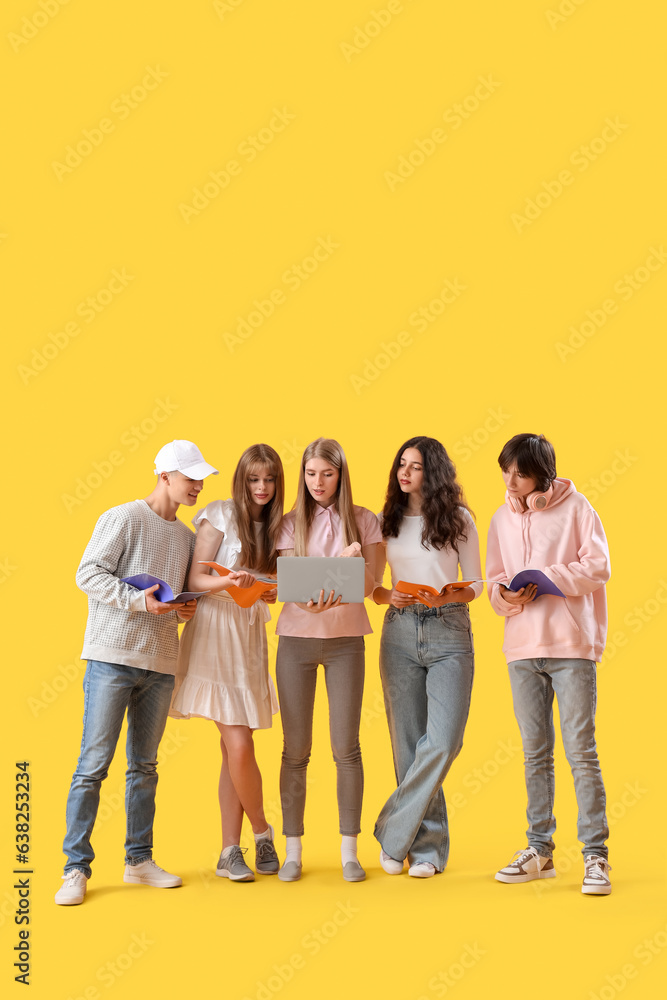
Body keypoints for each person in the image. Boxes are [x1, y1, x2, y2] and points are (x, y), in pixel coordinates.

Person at [55, 440, 218, 905]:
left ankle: (138, 861)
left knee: (144, 768)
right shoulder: (123, 517)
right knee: (93, 766)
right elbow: (88, 573)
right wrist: (138, 600)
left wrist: (182, 610)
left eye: (200, 478)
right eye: (191, 478)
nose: (198, 485)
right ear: (165, 475)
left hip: (161, 664)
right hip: (112, 658)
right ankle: (74, 869)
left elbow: (181, 599)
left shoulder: (188, 538)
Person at [486, 433, 612, 895]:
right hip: (521, 648)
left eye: (521, 473)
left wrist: (551, 579)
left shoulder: (579, 509)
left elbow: (598, 566)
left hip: (570, 647)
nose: (512, 481)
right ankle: (539, 850)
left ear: (544, 475)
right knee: (534, 752)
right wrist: (504, 595)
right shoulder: (500, 518)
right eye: (507, 471)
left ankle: (596, 857)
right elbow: (493, 579)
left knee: (580, 750)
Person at [170, 444, 284, 882]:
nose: (261, 487)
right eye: (254, 479)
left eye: (269, 479)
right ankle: (262, 831)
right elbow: (195, 578)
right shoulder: (219, 512)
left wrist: (272, 588)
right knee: (239, 743)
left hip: (250, 632)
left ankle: (227, 852)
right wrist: (227, 581)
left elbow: (278, 581)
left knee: (230, 753)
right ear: (242, 480)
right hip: (216, 630)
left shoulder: (278, 525)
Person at [372, 437, 481, 877]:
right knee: (407, 744)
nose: (404, 473)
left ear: (432, 472)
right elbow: (373, 587)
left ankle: (391, 830)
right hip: (398, 630)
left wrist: (451, 594)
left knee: (443, 741)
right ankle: (427, 851)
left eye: (414, 467)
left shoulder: (459, 519)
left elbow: (475, 582)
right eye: (401, 464)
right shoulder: (388, 521)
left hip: (449, 628)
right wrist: (387, 594)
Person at [274, 438, 381, 882]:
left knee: (346, 747)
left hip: (345, 642)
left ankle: (349, 852)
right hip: (296, 641)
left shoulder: (364, 520)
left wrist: (353, 561)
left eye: (327, 473)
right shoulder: (288, 523)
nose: (318, 482)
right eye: (311, 473)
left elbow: (374, 586)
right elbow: (288, 583)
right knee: (296, 750)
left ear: (341, 475)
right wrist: (315, 596)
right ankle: (293, 851)